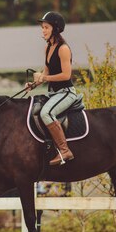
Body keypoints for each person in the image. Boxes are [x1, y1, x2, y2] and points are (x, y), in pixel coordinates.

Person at [25, 11, 81, 165]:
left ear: (55, 29)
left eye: (46, 27)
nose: (43, 30)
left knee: (46, 113)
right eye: (42, 27)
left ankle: (64, 150)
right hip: (54, 93)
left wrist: (45, 78)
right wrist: (33, 84)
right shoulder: (47, 48)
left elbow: (66, 75)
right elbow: (46, 72)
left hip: (66, 93)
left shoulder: (63, 49)